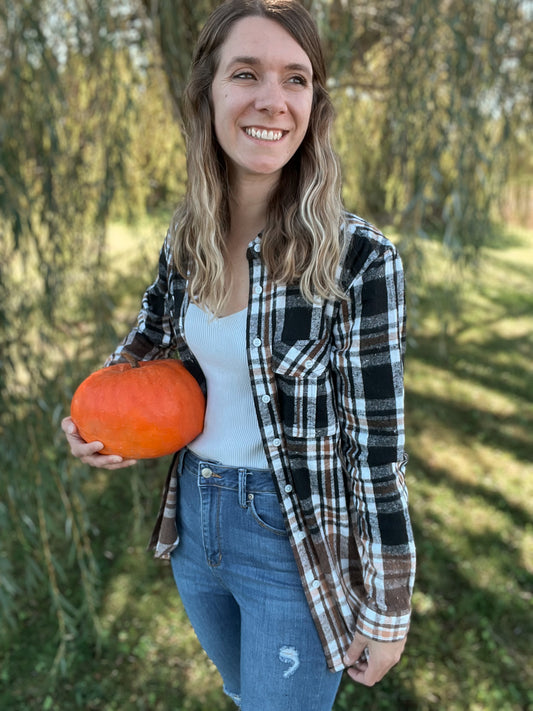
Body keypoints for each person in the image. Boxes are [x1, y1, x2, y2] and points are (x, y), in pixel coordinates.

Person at [62, 1, 416, 708]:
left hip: (291, 535)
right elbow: (148, 340)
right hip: (195, 520)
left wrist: (387, 606)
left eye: (295, 79)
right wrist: (91, 416)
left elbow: (376, 452)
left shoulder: (360, 261)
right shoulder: (186, 236)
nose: (271, 100)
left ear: (315, 104)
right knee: (242, 693)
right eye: (246, 73)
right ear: (209, 94)